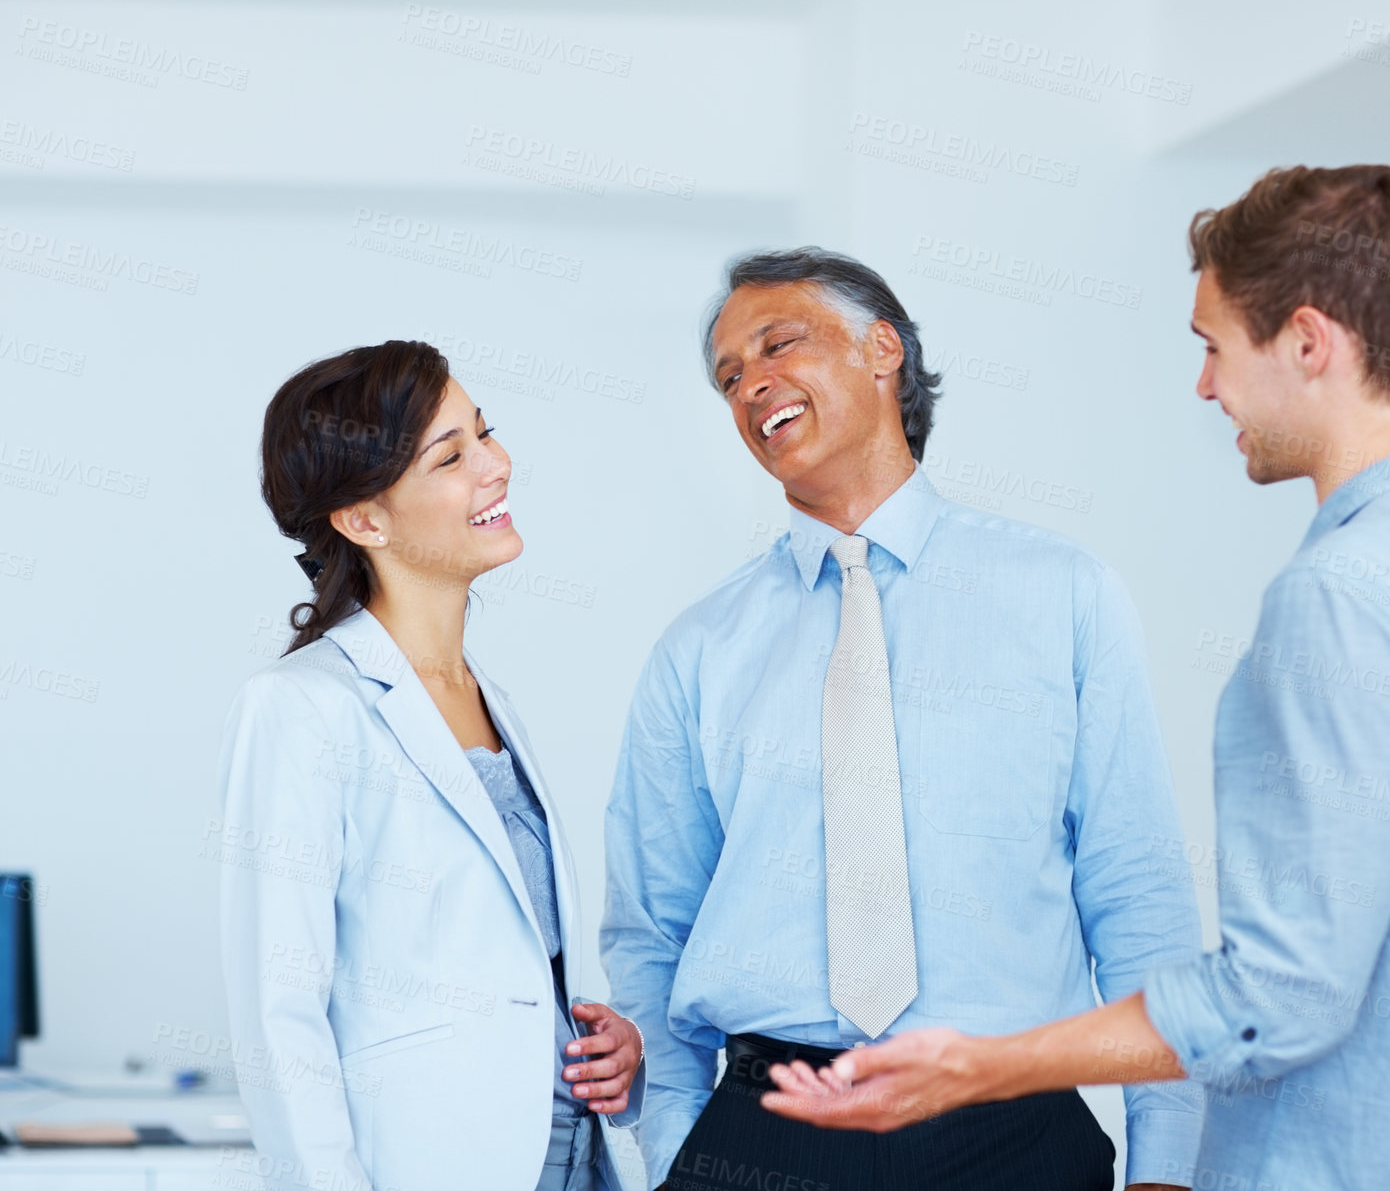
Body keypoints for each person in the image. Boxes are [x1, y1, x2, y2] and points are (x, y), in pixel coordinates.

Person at [759, 166, 1390, 1191]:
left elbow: (1277, 995)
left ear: (1309, 343)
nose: (1204, 387)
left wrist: (978, 1066)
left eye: (1213, 345)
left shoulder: (1341, 593)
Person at [601, 249, 1202, 1191]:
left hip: (1014, 1127)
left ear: (882, 348)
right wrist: (678, 1150)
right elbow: (651, 930)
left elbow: (1135, 888)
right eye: (728, 377)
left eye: (777, 344)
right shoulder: (700, 648)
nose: (751, 384)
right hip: (763, 1135)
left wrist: (1167, 1158)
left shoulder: (1063, 595)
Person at [218, 341, 646, 1191]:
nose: (497, 465)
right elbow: (280, 1019)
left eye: (485, 434)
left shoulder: (488, 698)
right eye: (452, 456)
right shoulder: (301, 707)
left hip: (574, 1161)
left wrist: (606, 1040)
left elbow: (514, 958)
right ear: (364, 520)